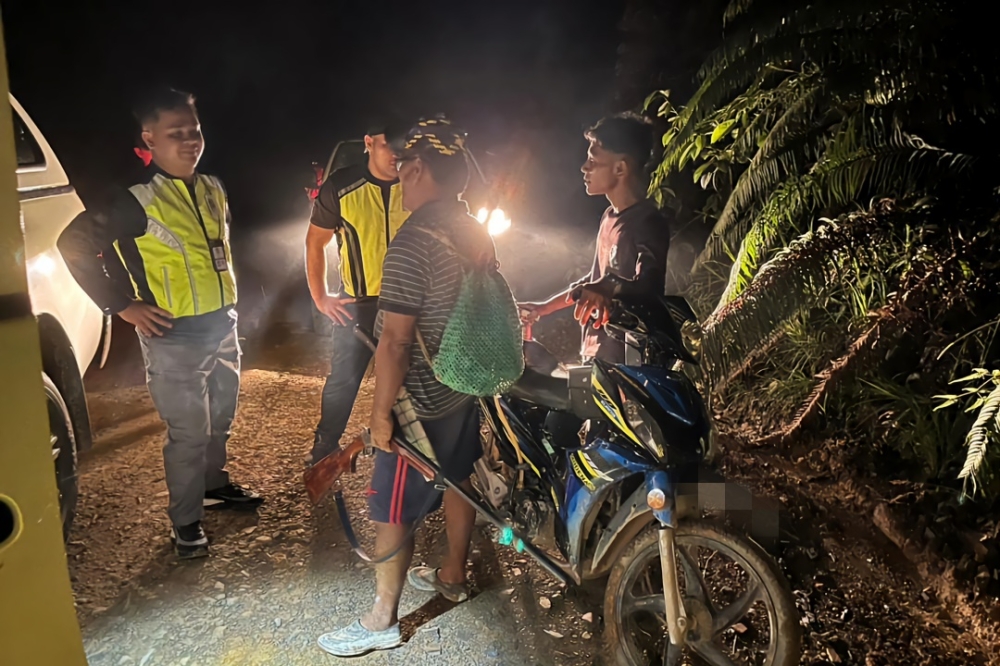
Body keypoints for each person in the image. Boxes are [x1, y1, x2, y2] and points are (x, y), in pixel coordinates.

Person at [57, 87, 262, 560]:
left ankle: (214, 486)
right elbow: (74, 245)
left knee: (220, 419)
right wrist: (121, 305)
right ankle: (186, 522)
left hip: (221, 325)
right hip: (173, 336)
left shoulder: (213, 186)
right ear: (149, 137)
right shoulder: (134, 199)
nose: (190, 140)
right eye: (176, 133)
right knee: (188, 432)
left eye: (194, 130)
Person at [317, 118, 492, 657]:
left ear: (417, 169)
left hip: (422, 404)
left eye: (404, 169)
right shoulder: (474, 230)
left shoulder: (411, 242)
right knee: (461, 478)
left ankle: (381, 620)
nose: (401, 179)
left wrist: (380, 416)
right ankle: (453, 574)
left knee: (391, 508)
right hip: (466, 387)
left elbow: (394, 343)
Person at [519, 112, 671, 364]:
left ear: (620, 168)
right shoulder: (609, 217)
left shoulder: (648, 222)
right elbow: (593, 281)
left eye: (592, 159)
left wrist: (610, 284)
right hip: (595, 353)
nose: (584, 167)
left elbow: (649, 287)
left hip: (629, 361)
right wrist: (543, 308)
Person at [305, 118, 409, 466]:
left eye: (403, 145)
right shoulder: (341, 186)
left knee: (409, 382)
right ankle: (323, 448)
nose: (397, 153)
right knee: (343, 382)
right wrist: (321, 297)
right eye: (387, 144)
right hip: (360, 303)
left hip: (410, 305)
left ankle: (403, 452)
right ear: (368, 142)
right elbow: (314, 242)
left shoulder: (415, 183)